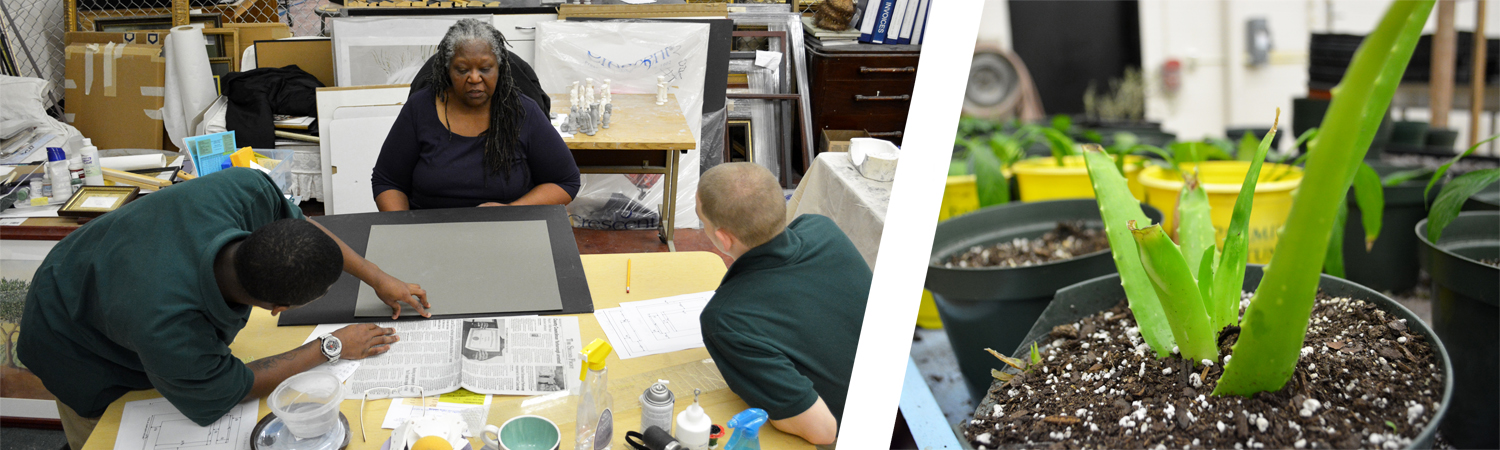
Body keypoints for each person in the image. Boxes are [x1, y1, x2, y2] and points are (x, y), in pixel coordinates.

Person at [18, 168, 431, 450]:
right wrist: (330, 346)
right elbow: (228, 388)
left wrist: (376, 276)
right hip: (68, 334)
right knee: (114, 432)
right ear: (278, 308)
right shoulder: (168, 324)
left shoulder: (244, 190)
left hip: (112, 269)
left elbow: (302, 231)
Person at [694, 162, 872, 446]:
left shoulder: (726, 319)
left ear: (723, 238)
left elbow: (823, 431)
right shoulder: (821, 229)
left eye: (701, 220)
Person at [372, 18, 580, 210]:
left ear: (499, 67)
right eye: (462, 70)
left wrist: (511, 211)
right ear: (447, 70)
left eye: (485, 69)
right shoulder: (420, 108)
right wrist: (402, 231)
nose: (474, 78)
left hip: (506, 231)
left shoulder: (523, 112)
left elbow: (566, 181)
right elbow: (388, 181)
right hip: (429, 233)